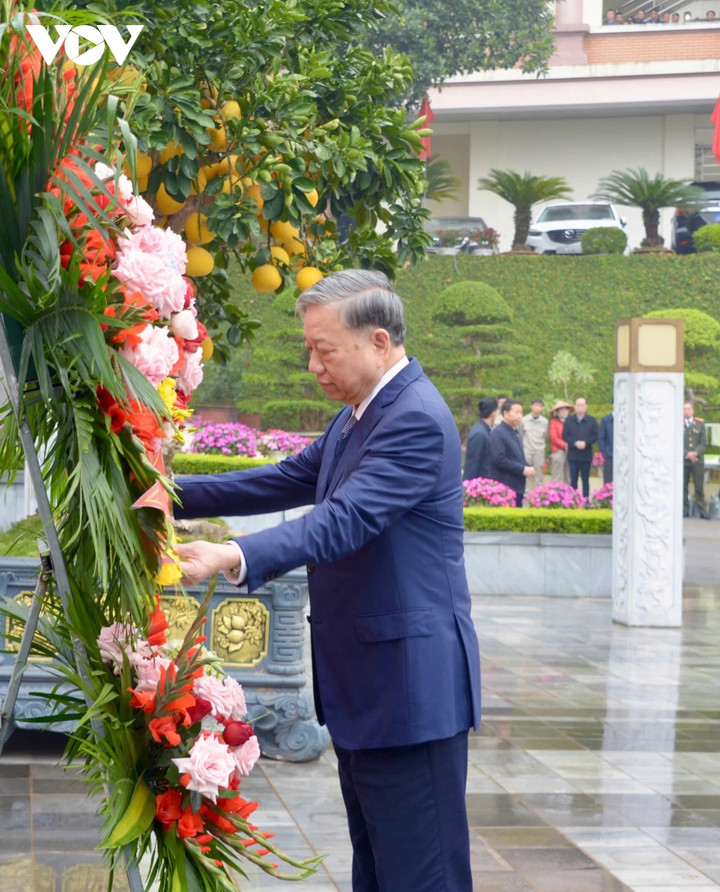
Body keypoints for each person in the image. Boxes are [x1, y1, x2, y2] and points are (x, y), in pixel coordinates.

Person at [175, 269, 482, 892]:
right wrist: (167, 494)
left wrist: (232, 553)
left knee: (422, 875)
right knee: (376, 867)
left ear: (378, 342)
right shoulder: (358, 416)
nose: (313, 364)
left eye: (325, 350)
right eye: (308, 348)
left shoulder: (415, 418)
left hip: (410, 691)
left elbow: (345, 520)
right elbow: (282, 478)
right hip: (371, 687)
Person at [489, 399, 536, 506]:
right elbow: (499, 459)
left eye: (521, 412)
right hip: (505, 486)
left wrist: (528, 466)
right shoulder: (498, 433)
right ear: (505, 413)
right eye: (516, 412)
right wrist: (523, 469)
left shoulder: (516, 433)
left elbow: (518, 457)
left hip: (518, 485)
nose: (520, 416)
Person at [562, 396, 598, 499]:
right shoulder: (569, 420)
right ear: (575, 406)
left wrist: (586, 443)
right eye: (578, 405)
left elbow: (595, 436)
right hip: (573, 455)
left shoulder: (592, 421)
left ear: (586, 406)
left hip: (586, 455)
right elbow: (565, 436)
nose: (580, 407)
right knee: (573, 480)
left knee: (585, 479)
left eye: (582, 405)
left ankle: (586, 501)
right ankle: (574, 500)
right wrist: (575, 443)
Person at [683, 400, 709, 518]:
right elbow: (676, 441)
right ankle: (684, 509)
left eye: (688, 408)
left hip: (697, 460)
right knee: (683, 487)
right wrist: (687, 454)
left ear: (693, 410)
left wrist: (695, 453)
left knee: (699, 487)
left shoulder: (700, 424)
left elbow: (703, 443)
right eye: (684, 409)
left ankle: (702, 510)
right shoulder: (678, 424)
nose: (686, 411)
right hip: (684, 460)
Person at [464, 396, 498, 480]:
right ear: (493, 414)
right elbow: (473, 464)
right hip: (479, 485)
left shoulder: (484, 430)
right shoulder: (479, 433)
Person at [519, 398, 548, 492]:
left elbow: (545, 436)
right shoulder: (524, 420)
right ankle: (525, 495)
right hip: (527, 449)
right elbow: (520, 434)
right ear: (531, 406)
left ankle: (538, 496)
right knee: (525, 473)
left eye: (540, 406)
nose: (537, 408)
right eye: (535, 405)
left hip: (539, 450)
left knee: (539, 474)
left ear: (542, 408)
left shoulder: (545, 421)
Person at [549, 400, 573, 483]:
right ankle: (554, 493)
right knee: (556, 474)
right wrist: (565, 445)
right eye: (561, 410)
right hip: (558, 449)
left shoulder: (571, 422)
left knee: (569, 474)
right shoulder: (553, 423)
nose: (564, 412)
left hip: (571, 450)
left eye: (565, 409)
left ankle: (569, 493)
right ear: (557, 412)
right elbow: (553, 438)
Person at [598, 404, 614, 485]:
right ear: (612, 405)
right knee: (608, 482)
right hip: (609, 456)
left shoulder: (628, 419)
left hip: (624, 458)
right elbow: (601, 437)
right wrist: (605, 453)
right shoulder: (606, 420)